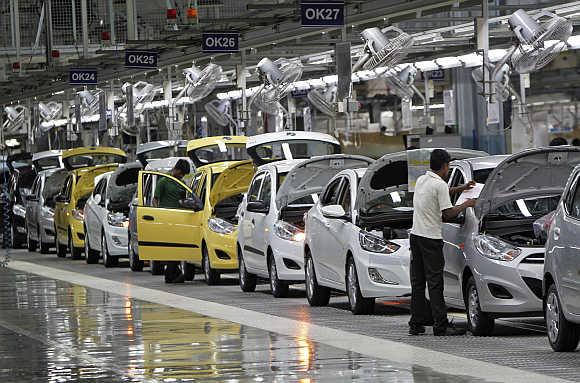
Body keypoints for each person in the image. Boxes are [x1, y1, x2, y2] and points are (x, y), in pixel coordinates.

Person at [409, 149, 476, 336]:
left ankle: (416, 323)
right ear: (446, 166)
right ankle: (441, 325)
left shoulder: (423, 180)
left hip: (416, 237)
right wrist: (467, 204)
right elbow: (447, 214)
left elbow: (441, 192)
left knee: (418, 283)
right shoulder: (438, 185)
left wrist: (462, 188)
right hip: (431, 239)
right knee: (435, 283)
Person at [153, 159, 191, 283]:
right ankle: (171, 274)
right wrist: (157, 214)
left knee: (177, 248)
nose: (182, 176)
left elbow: (184, 200)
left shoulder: (181, 183)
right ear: (177, 170)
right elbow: (155, 199)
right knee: (171, 248)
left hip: (179, 220)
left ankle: (172, 273)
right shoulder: (163, 181)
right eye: (182, 173)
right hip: (166, 219)